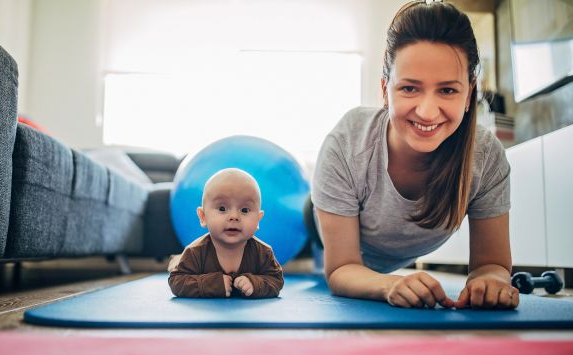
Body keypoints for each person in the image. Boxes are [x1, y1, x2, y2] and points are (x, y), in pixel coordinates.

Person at [311, 0, 519, 310]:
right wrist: (389, 284)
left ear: (468, 94)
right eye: (409, 88)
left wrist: (490, 281)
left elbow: (492, 264)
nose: (426, 111)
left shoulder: (486, 158)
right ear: (385, 90)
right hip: (317, 228)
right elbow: (341, 269)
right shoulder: (347, 143)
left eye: (447, 90)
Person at [168, 168, 284, 298]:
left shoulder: (263, 253)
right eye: (222, 208)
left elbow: (276, 280)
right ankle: (176, 259)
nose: (234, 216)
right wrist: (213, 284)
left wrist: (255, 283)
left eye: (244, 210)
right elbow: (176, 281)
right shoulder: (194, 252)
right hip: (191, 267)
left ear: (258, 220)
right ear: (203, 217)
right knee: (178, 264)